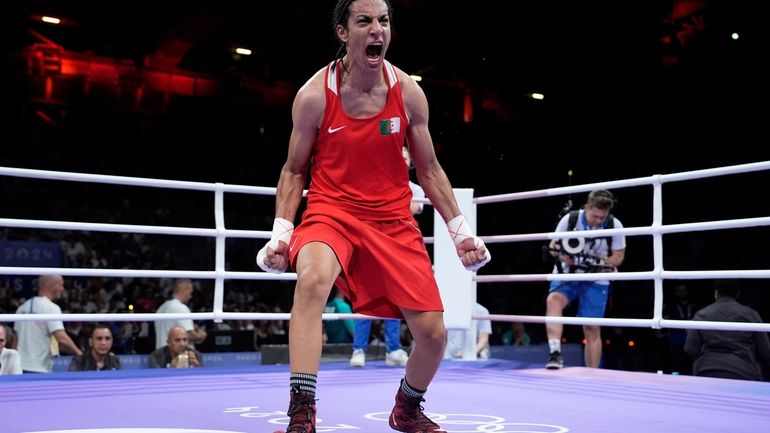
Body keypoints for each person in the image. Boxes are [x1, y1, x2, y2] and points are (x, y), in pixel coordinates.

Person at [255, 1, 491, 431]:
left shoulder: (408, 93)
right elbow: (293, 170)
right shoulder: (313, 95)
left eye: (383, 20)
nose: (377, 29)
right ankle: (302, 412)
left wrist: (460, 232)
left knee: (433, 335)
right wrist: (281, 234)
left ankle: (406, 407)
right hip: (331, 212)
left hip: (392, 220)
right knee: (311, 281)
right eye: (364, 20)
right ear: (344, 33)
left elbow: (430, 169)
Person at [350, 146, 421, 368]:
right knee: (365, 296)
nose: (402, 159)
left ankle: (393, 350)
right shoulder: (375, 182)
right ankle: (358, 349)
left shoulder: (416, 189)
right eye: (398, 155)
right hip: (372, 243)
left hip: (399, 246)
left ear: (410, 162)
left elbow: (414, 208)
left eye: (406, 157)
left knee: (395, 299)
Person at [544, 189, 626, 369]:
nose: (598, 221)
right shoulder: (571, 219)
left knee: (592, 328)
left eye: (602, 217)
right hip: (569, 273)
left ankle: (592, 373)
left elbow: (619, 256)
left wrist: (601, 262)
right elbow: (552, 245)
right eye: (595, 216)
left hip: (597, 278)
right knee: (553, 301)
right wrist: (563, 255)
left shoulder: (614, 225)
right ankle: (555, 354)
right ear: (587, 207)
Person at [684, 280, 770, 381]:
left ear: (716, 293)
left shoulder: (701, 314)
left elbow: (690, 349)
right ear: (738, 293)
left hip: (706, 370)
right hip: (743, 371)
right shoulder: (751, 315)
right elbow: (765, 351)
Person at [14, 275, 83, 373]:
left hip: (19, 368)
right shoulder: (51, 308)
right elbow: (62, 339)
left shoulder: (22, 308)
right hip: (38, 369)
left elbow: (15, 341)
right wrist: (81, 355)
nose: (62, 289)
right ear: (53, 286)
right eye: (61, 285)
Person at [154, 278, 207, 350]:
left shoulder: (161, 308)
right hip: (178, 356)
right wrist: (201, 336)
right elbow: (187, 335)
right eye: (190, 293)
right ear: (185, 290)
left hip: (161, 354)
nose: (190, 297)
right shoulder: (181, 308)